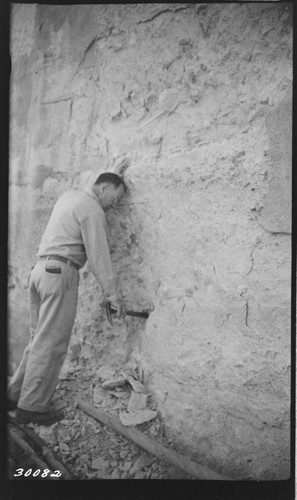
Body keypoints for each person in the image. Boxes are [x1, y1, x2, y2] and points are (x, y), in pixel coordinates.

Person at [8, 172, 127, 425]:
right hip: (61, 275)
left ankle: (13, 394)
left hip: (40, 271)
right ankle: (32, 408)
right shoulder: (93, 210)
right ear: (104, 188)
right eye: (114, 199)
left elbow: (95, 186)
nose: (113, 205)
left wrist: (114, 169)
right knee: (51, 343)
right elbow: (99, 257)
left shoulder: (70, 196)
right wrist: (113, 295)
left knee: (37, 339)